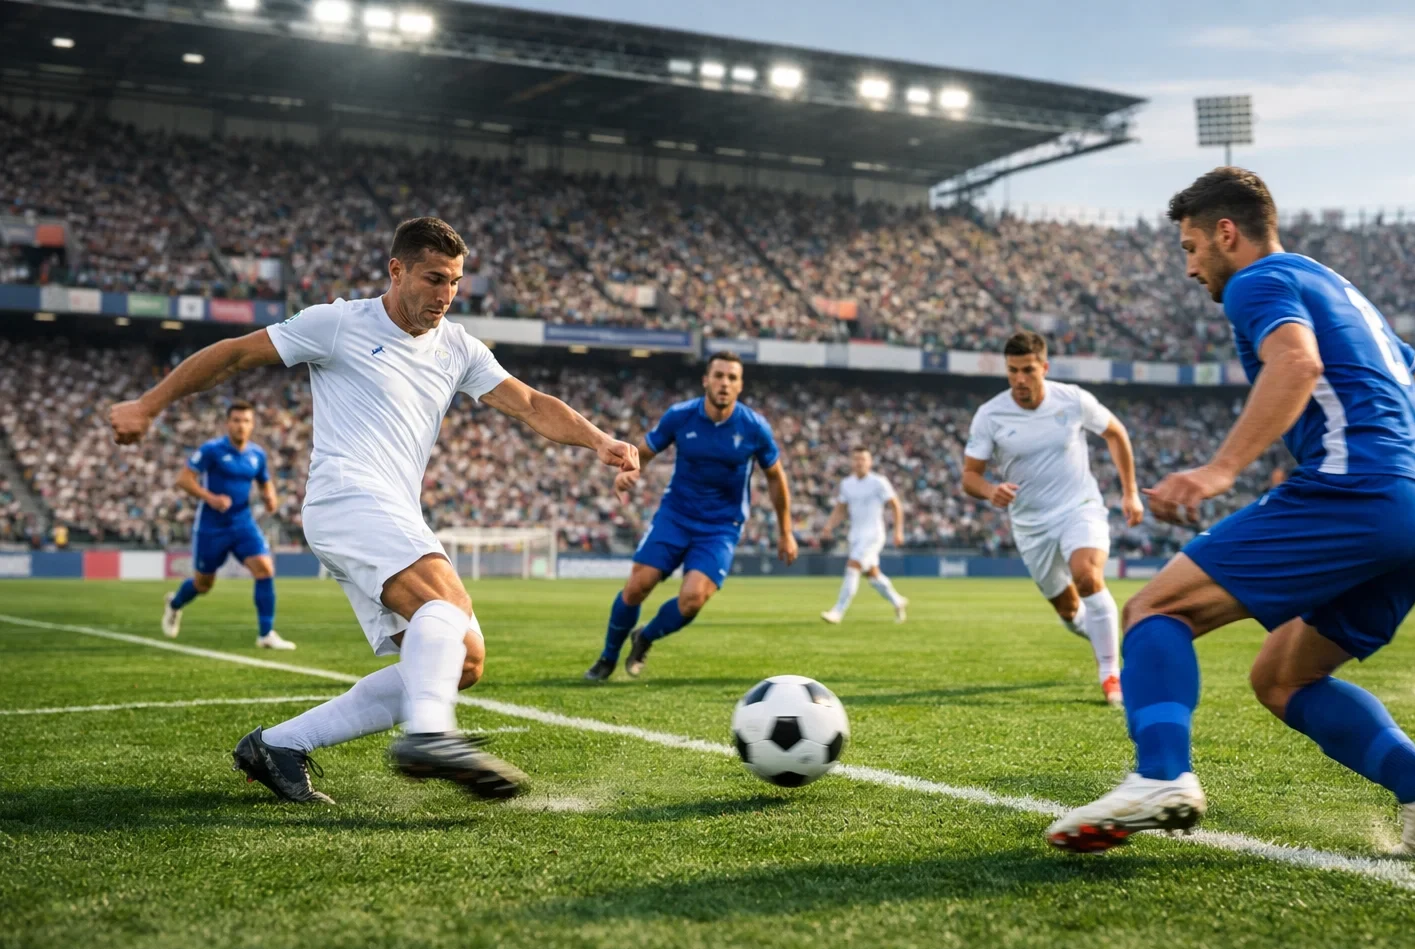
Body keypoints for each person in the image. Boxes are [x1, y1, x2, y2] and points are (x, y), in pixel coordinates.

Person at [110, 217, 637, 804]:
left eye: (456, 283)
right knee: (448, 606)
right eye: (435, 279)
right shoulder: (337, 323)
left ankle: (278, 745)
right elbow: (235, 355)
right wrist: (148, 403)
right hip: (345, 495)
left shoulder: (457, 346)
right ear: (397, 269)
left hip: (393, 508)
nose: (446, 295)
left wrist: (599, 441)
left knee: (462, 659)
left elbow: (531, 403)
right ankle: (431, 735)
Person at [1046, 168, 1415, 856]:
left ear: (1227, 233)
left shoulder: (1257, 281)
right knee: (1283, 677)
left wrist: (1218, 471)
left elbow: (1297, 364)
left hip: (1357, 488)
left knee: (1155, 612)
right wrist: (1412, 505)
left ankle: (1160, 776)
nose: (1190, 267)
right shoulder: (1341, 292)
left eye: (1191, 248)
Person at [585, 351, 796, 681]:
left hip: (721, 527)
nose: (724, 383)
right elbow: (644, 452)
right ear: (706, 380)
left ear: (740, 386)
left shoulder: (754, 427)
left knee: (693, 599)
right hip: (676, 516)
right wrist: (630, 471)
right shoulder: (680, 416)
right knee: (638, 586)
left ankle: (645, 637)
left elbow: (775, 477)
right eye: (719, 375)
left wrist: (786, 531)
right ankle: (607, 658)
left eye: (732, 378)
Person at [961, 331, 1144, 707]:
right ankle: (1101, 635)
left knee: (1087, 576)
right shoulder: (990, 415)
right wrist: (989, 490)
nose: (1020, 379)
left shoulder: (1073, 399)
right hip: (1031, 525)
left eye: (1028, 370)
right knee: (1069, 610)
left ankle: (1111, 674)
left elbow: (1115, 433)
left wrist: (1130, 492)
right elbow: (969, 476)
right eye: (1013, 371)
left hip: (1079, 507)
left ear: (1044, 367)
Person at [161, 399, 295, 649]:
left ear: (252, 424)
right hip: (211, 527)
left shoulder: (257, 454)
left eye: (246, 421)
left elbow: (265, 482)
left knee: (265, 569)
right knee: (203, 584)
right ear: (227, 423)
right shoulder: (212, 450)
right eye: (236, 420)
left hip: (243, 523)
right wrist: (210, 498)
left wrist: (270, 497)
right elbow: (184, 479)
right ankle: (174, 604)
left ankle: (266, 634)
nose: (241, 426)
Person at [819, 447, 908, 623]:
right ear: (851, 462)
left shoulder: (878, 482)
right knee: (873, 577)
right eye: (856, 459)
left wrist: (898, 530)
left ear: (870, 462)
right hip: (856, 536)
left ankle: (838, 611)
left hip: (873, 535)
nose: (859, 463)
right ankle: (897, 601)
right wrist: (828, 527)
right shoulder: (847, 484)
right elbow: (840, 509)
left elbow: (895, 505)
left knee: (853, 567)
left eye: (863, 459)